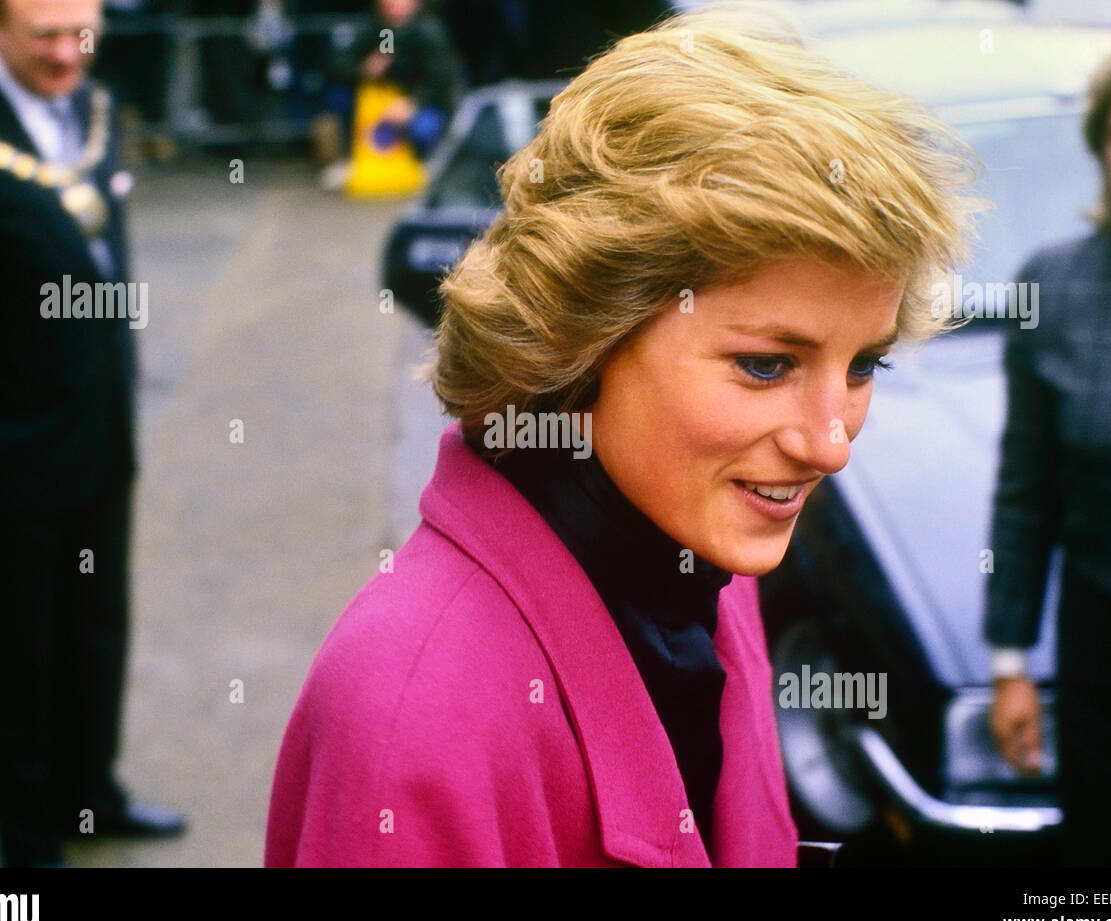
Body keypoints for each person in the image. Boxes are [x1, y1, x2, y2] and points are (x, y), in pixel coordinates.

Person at [266, 4, 976, 867]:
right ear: (581, 333)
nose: (831, 444)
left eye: (866, 366)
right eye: (765, 365)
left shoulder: (701, 560)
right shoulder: (409, 716)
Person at [0, 0, 184, 867]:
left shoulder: (89, 109)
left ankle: (90, 793)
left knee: (96, 622)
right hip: (5, 453)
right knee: (20, 642)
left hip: (100, 428)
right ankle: (26, 833)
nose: (67, 55)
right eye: (44, 37)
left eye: (80, 34)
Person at [986, 15, 1111, 867]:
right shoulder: (1054, 285)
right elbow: (1026, 490)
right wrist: (1010, 662)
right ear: (1103, 150)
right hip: (1106, 650)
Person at [310, 0, 461, 187]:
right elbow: (337, 64)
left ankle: (427, 164)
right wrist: (363, 69)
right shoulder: (374, 28)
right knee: (338, 97)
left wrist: (414, 103)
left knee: (424, 127)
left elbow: (441, 82)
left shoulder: (430, 33)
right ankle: (348, 161)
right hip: (378, 101)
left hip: (419, 104)